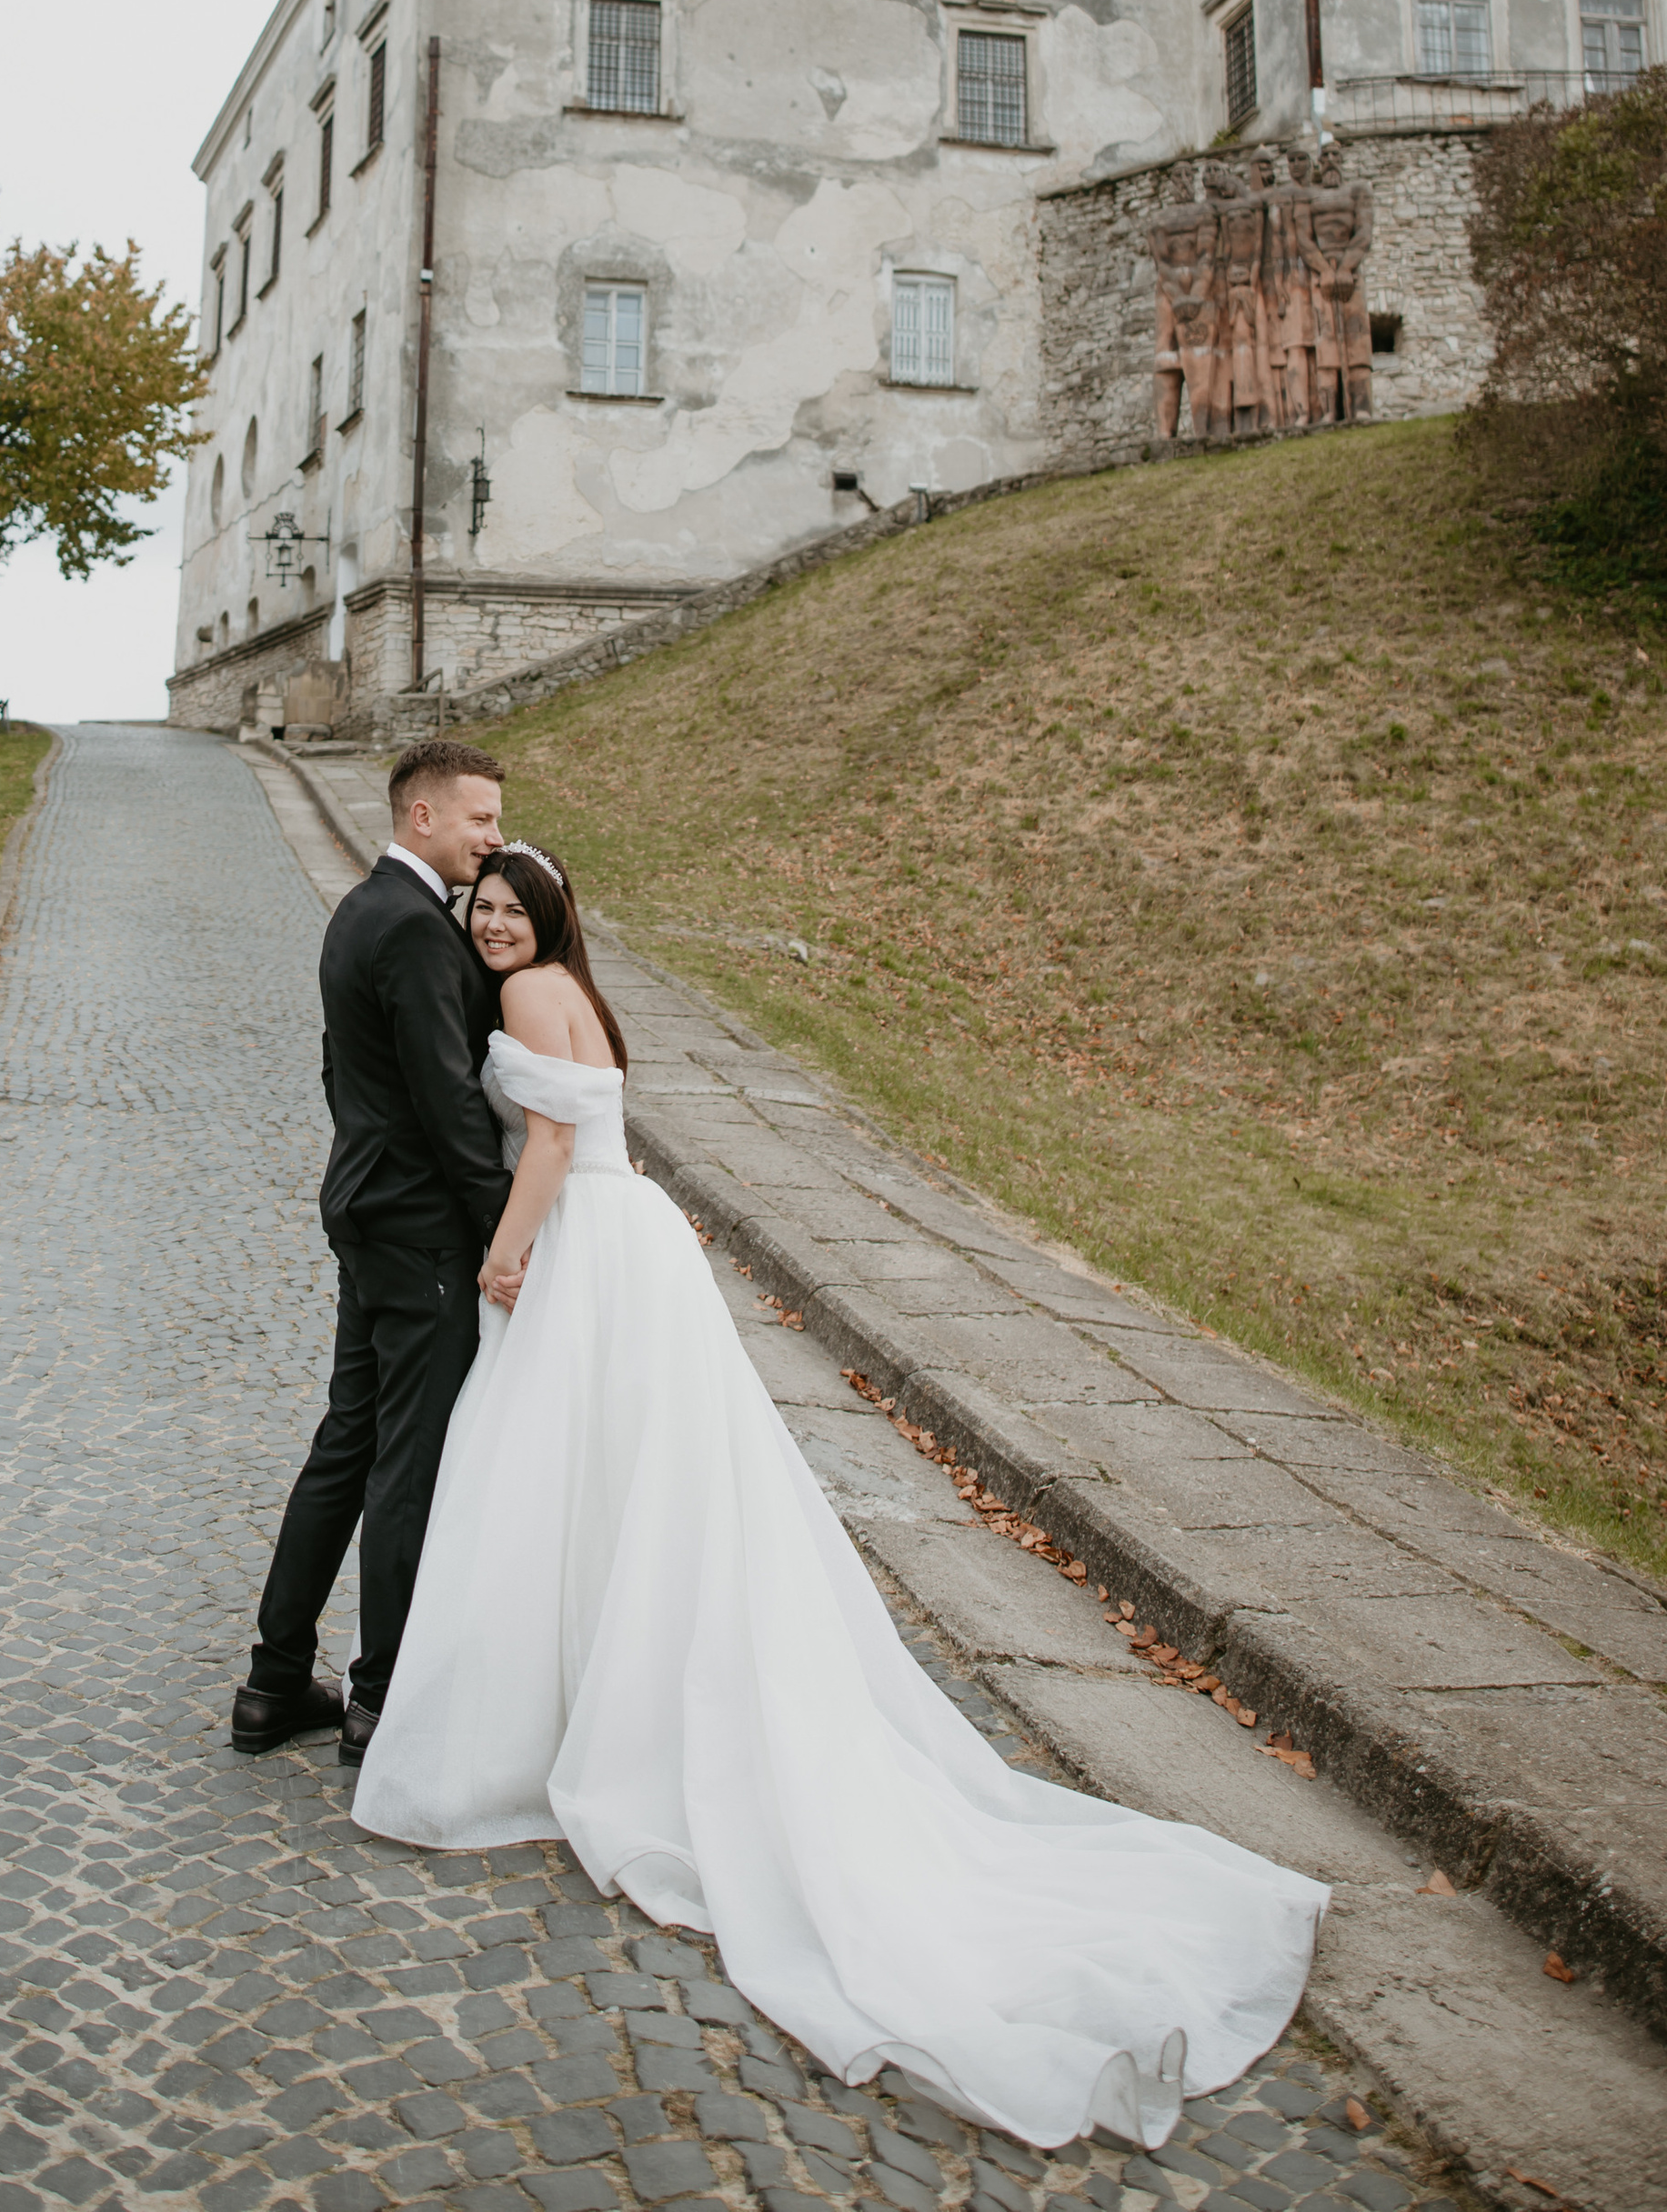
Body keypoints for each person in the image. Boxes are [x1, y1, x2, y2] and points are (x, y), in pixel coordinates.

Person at [351, 843, 1327, 2157]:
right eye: (483, 912)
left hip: (583, 1244)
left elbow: (553, 1136)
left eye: (514, 913)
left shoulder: (530, 1003)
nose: (494, 928)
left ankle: (551, 1717)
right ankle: (595, 1685)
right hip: (632, 1244)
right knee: (631, 1490)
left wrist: (507, 1249)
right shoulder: (578, 990)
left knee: (554, 1478)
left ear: (552, 920)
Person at [231, 736, 512, 1772]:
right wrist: (503, 1232)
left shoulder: (363, 910)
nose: (494, 837)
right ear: (422, 817)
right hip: (417, 1229)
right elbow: (448, 1103)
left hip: (364, 1210)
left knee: (347, 1440)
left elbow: (337, 1067)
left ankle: (272, 1684)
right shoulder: (412, 930)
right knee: (403, 1459)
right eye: (480, 818)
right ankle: (379, 1704)